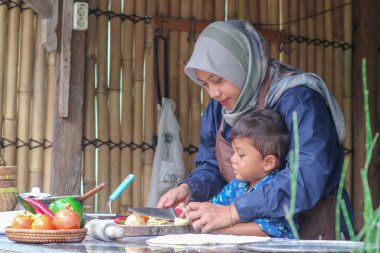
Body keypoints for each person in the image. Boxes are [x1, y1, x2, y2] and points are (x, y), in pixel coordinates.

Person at [157, 20, 353, 239]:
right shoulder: (219, 110)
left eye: (217, 80)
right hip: (250, 236)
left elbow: (306, 176)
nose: (213, 92)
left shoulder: (299, 100)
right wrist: (190, 189)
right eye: (205, 84)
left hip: (315, 231)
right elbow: (212, 166)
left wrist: (234, 211)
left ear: (241, 65)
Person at [211, 108, 295, 238]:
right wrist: (194, 211)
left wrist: (219, 229)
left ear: (268, 162)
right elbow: (215, 208)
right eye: (233, 152)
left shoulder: (276, 189)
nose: (232, 159)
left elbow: (264, 230)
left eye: (241, 155)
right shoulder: (237, 185)